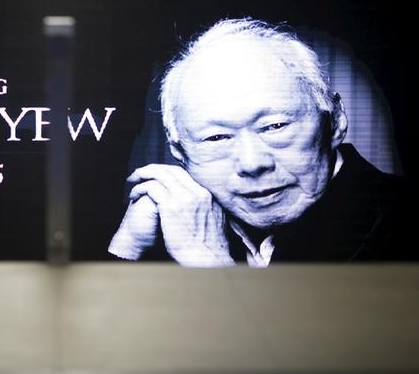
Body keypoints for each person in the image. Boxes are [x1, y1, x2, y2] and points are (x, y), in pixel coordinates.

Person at [109, 18, 415, 267]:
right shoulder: (170, 231)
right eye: (217, 137)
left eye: (274, 126)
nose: (252, 163)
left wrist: (211, 269)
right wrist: (130, 245)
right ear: (180, 152)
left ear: (334, 121)